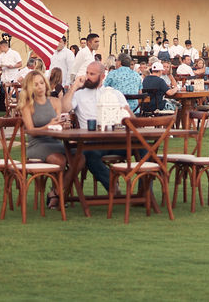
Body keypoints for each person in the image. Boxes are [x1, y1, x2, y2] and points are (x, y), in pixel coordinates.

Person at [62, 60, 130, 189]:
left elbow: (131, 118)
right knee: (89, 155)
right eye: (87, 73)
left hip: (116, 140)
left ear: (102, 76)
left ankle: (145, 193)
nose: (87, 77)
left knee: (146, 148)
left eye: (92, 74)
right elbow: (64, 109)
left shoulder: (114, 93)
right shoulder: (79, 94)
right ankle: (113, 187)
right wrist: (74, 86)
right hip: (92, 142)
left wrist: (122, 113)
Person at [18, 69, 76, 209]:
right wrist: (47, 126)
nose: (40, 87)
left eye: (41, 83)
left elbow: (58, 124)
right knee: (60, 160)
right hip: (38, 144)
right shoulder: (27, 105)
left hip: (56, 141)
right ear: (30, 87)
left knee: (81, 158)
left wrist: (63, 124)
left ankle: (55, 192)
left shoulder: (55, 102)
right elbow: (30, 130)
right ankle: (58, 196)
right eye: (35, 84)